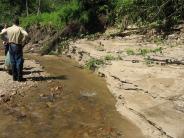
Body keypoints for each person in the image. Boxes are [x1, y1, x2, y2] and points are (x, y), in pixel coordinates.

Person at [0, 17, 28, 81]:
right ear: (18, 22)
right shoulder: (19, 28)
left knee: (13, 61)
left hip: (10, 46)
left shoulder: (8, 29)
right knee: (19, 61)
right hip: (18, 45)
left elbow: (1, 34)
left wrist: (6, 40)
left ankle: (14, 77)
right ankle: (19, 78)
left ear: (12, 22)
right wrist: (23, 41)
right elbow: (26, 35)